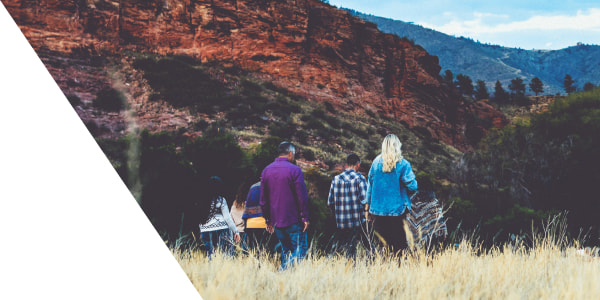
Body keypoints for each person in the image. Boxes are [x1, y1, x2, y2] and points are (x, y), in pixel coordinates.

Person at [260, 141, 310, 270]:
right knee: (301, 249)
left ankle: (285, 281)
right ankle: (282, 273)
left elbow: (263, 200)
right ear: (290, 153)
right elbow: (301, 196)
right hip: (293, 219)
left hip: (276, 221)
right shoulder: (294, 170)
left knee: (286, 251)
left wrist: (268, 220)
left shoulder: (266, 170)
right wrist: (305, 217)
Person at [366, 134, 418, 256]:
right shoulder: (403, 164)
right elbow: (413, 186)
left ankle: (383, 271)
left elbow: (370, 187)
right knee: (399, 246)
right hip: (397, 211)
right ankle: (397, 271)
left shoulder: (375, 163)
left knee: (383, 246)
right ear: (397, 146)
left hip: (377, 211)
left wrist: (367, 209)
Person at [327, 153, 371, 258]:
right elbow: (365, 200)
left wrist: (337, 215)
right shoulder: (360, 179)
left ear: (346, 165)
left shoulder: (336, 179)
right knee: (367, 246)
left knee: (342, 248)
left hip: (341, 222)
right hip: (357, 222)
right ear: (358, 165)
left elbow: (330, 202)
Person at [199, 176, 241, 258]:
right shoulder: (221, 200)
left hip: (205, 230)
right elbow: (227, 218)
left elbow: (199, 217)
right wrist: (236, 231)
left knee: (210, 256)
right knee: (227, 255)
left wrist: (201, 231)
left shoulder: (202, 200)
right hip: (221, 229)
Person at [242, 181, 278, 255]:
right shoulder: (271, 186)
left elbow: (248, 206)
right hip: (265, 224)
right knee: (266, 251)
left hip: (250, 223)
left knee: (253, 250)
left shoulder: (253, 187)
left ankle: (254, 265)